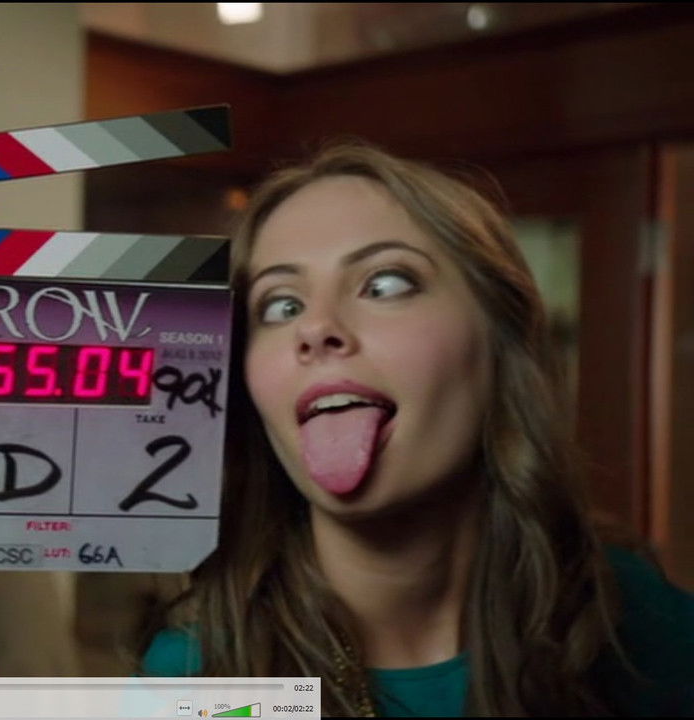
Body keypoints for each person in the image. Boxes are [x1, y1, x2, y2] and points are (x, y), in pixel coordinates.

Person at [140, 143, 694, 715]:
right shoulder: (193, 683)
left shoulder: (636, 623)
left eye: (385, 284)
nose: (316, 328)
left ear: (499, 343)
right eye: (281, 306)